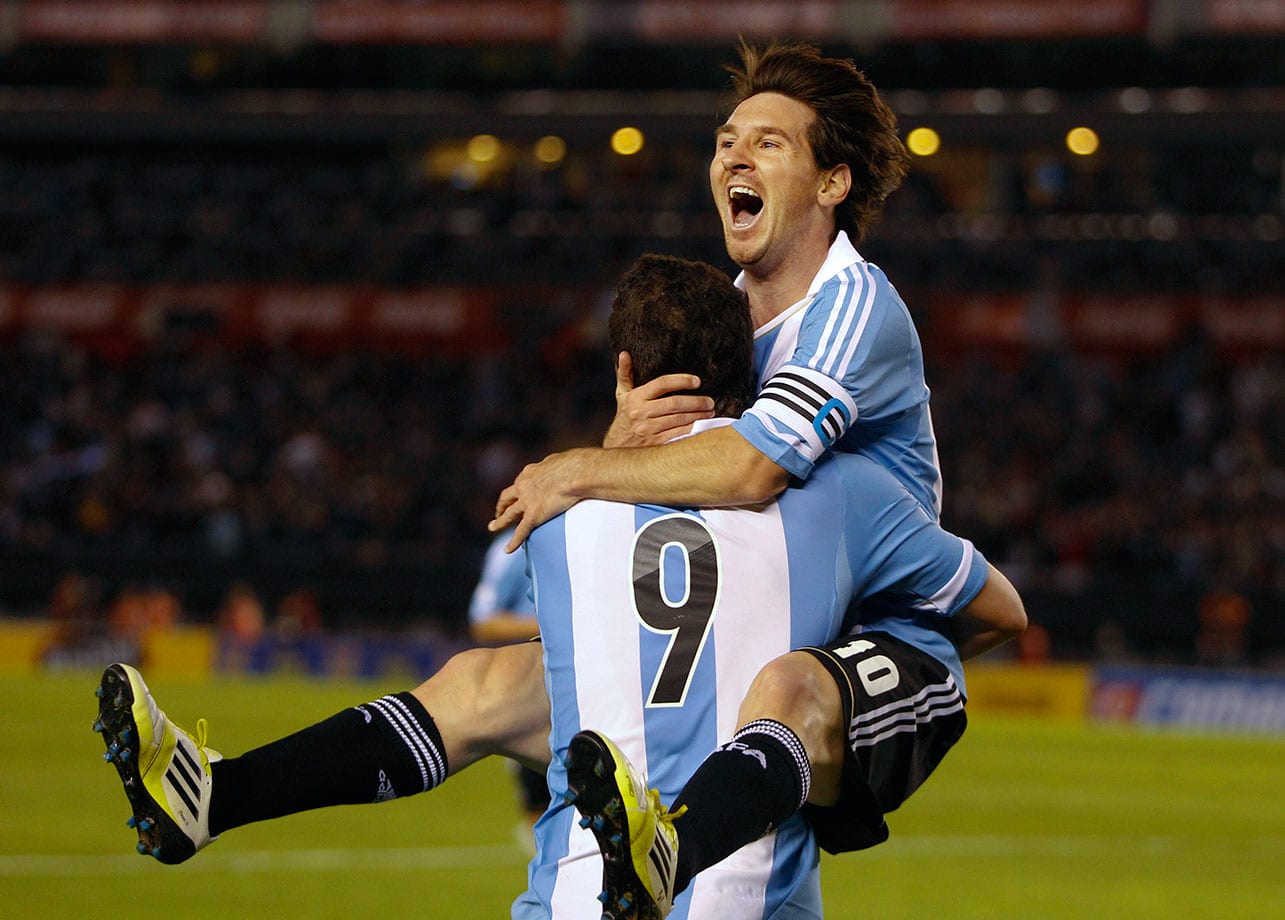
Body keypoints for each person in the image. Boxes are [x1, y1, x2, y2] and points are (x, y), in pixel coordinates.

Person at [468, 525, 550, 844]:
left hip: (592, 682)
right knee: (542, 811)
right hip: (537, 689)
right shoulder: (514, 546)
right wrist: (556, 623)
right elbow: (483, 622)